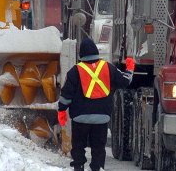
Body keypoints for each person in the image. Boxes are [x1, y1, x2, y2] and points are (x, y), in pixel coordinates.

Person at [58, 38, 135, 171]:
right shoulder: (108, 67)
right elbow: (125, 82)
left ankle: (79, 165)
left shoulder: (75, 71)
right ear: (96, 51)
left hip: (80, 118)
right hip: (102, 118)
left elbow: (66, 95)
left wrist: (61, 110)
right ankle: (97, 167)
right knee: (98, 147)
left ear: (81, 54)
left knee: (78, 145)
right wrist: (130, 69)